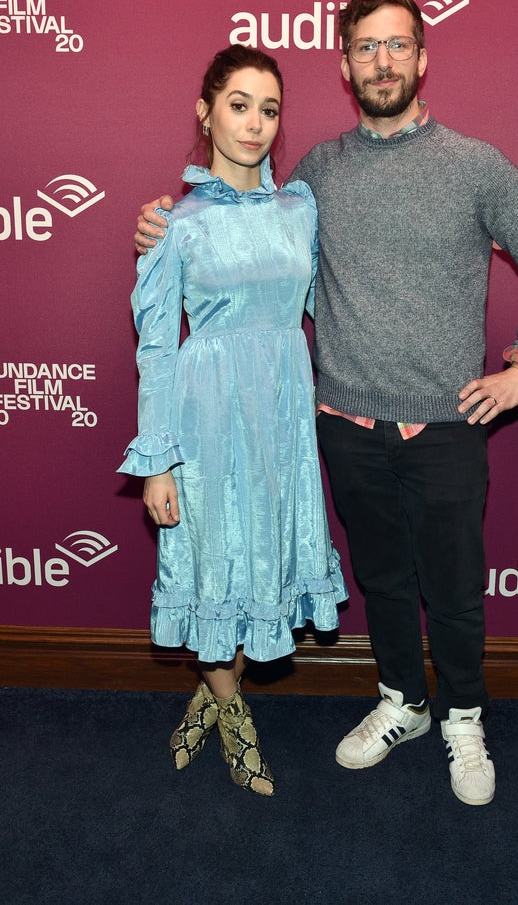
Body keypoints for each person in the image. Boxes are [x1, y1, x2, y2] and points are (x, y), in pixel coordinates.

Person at [133, 0, 518, 807]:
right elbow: (247, 229)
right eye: (366, 49)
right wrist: (163, 223)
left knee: (451, 587)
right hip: (340, 421)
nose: (382, 61)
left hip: (446, 421)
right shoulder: (315, 179)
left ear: (421, 57)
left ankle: (464, 721)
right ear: (344, 67)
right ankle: (403, 703)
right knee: (380, 580)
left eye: (397, 45)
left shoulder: (475, 163)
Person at [118, 44, 346, 797]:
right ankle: (233, 712)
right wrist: (156, 459)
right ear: (206, 111)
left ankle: (211, 698)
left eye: (269, 109)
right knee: (215, 561)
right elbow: (156, 350)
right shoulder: (176, 226)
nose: (253, 123)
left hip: (281, 417)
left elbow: (333, 308)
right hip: (206, 421)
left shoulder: (300, 209)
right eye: (239, 104)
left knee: (262, 562)